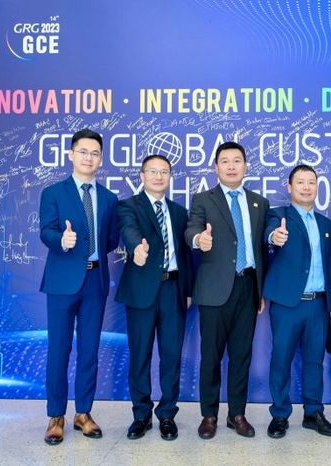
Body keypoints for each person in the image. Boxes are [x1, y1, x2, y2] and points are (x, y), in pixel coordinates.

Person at [39, 128, 120, 445]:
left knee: (89, 350)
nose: (89, 157)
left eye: (95, 153)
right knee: (59, 349)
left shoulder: (109, 198)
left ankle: (83, 413)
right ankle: (56, 415)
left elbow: (110, 239)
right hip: (62, 282)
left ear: (101, 159)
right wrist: (62, 239)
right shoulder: (53, 193)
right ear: (71, 155)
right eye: (83, 152)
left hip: (95, 281)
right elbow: (45, 231)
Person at [184, 141, 269, 439]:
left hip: (248, 286)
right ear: (216, 167)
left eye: (237, 160)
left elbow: (261, 248)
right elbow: (191, 229)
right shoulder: (203, 199)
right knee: (211, 355)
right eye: (225, 161)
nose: (231, 166)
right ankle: (209, 415)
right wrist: (199, 240)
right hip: (214, 289)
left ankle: (237, 414)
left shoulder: (259, 202)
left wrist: (260, 290)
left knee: (241, 355)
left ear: (245, 166)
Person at [116, 154, 193, 441]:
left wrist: (188, 290)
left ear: (170, 177)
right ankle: (141, 415)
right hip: (141, 291)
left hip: (173, 290)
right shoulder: (129, 206)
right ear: (142, 176)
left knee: (171, 355)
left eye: (164, 172)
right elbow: (129, 230)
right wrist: (137, 248)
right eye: (152, 171)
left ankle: (167, 414)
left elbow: (187, 256)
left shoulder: (180, 212)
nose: (158, 176)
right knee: (140, 355)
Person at [263, 164, 331, 439]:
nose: (306, 187)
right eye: (300, 182)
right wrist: (275, 236)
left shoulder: (327, 225)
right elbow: (269, 233)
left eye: (311, 182)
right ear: (290, 187)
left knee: (314, 361)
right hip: (287, 304)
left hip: (319, 305)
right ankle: (280, 415)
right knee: (281, 359)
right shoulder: (278, 215)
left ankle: (313, 413)